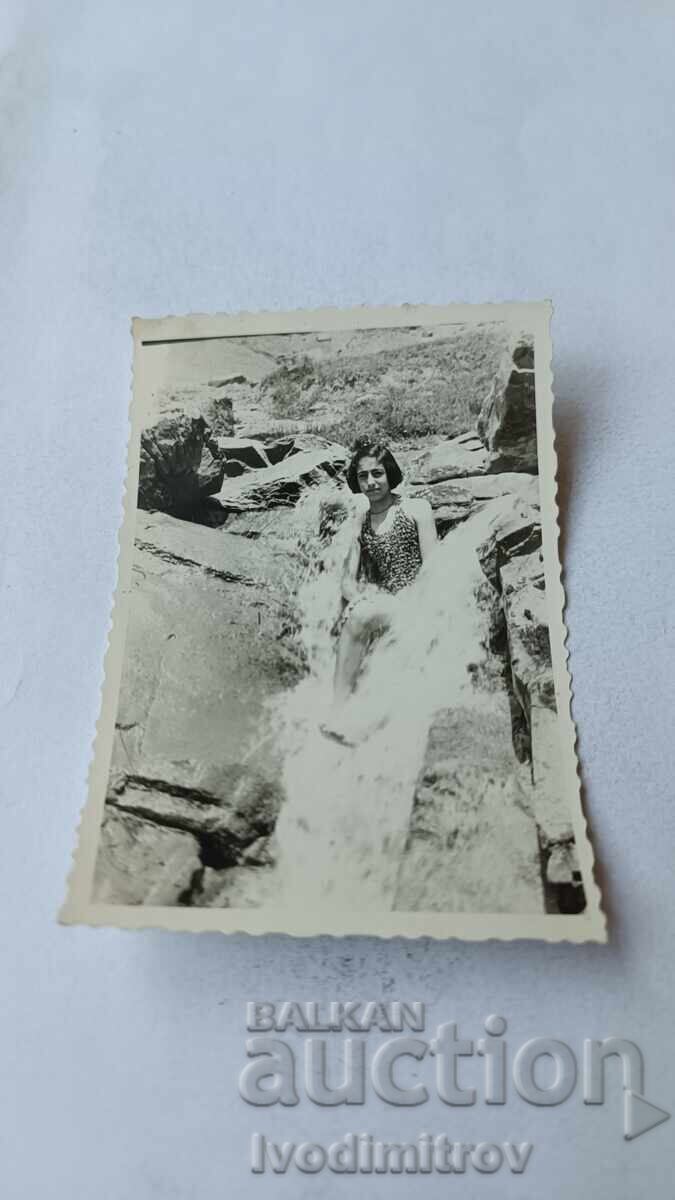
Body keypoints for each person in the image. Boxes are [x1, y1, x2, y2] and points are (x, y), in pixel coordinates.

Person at [321, 438, 437, 742]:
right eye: (363, 476)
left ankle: (341, 713)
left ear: (389, 474)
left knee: (362, 617)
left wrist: (409, 601)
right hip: (383, 607)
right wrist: (360, 597)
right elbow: (347, 579)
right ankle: (341, 715)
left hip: (418, 602)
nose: (371, 482)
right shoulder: (361, 520)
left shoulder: (416, 509)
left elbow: (434, 568)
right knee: (357, 612)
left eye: (377, 474)